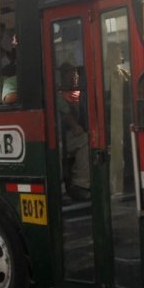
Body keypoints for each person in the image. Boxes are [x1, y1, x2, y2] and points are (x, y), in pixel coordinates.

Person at [57, 62, 89, 201]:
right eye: (70, 72)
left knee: (86, 138)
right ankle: (71, 187)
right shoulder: (57, 94)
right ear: (62, 76)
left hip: (65, 136)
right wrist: (75, 126)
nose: (74, 76)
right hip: (56, 137)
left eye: (75, 72)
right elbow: (65, 114)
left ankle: (81, 183)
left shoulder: (79, 93)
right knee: (82, 140)